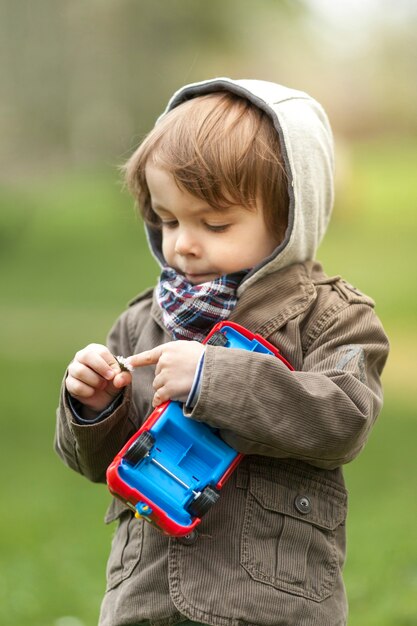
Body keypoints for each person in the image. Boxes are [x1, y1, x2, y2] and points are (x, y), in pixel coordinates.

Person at [55, 78, 389, 626]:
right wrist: (94, 408)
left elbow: (343, 417)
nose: (183, 242)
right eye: (168, 220)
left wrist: (214, 377)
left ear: (291, 216)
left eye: (214, 223)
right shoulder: (144, 320)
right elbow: (94, 463)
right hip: (145, 600)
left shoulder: (333, 317)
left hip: (269, 599)